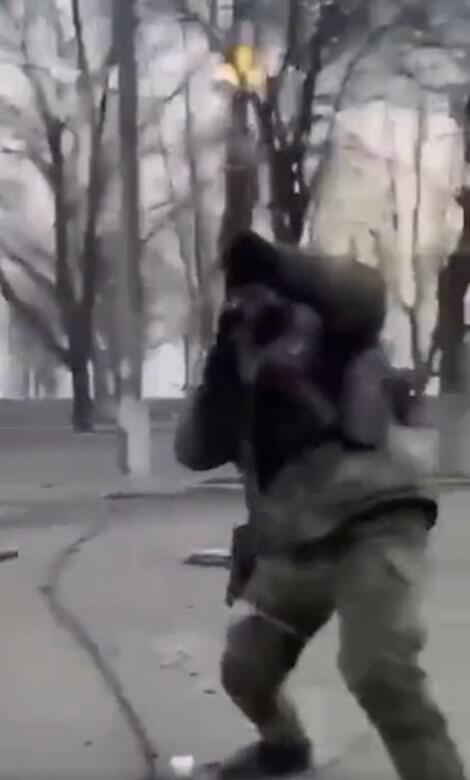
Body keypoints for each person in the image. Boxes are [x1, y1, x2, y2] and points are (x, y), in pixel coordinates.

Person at [174, 231, 467, 780]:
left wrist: (280, 268)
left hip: (374, 520)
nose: (255, 310)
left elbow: (365, 292)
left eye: (262, 297)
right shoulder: (237, 368)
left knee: (380, 670)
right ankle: (284, 749)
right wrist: (220, 367)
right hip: (298, 542)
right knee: (245, 668)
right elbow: (192, 452)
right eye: (241, 302)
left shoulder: (331, 327)